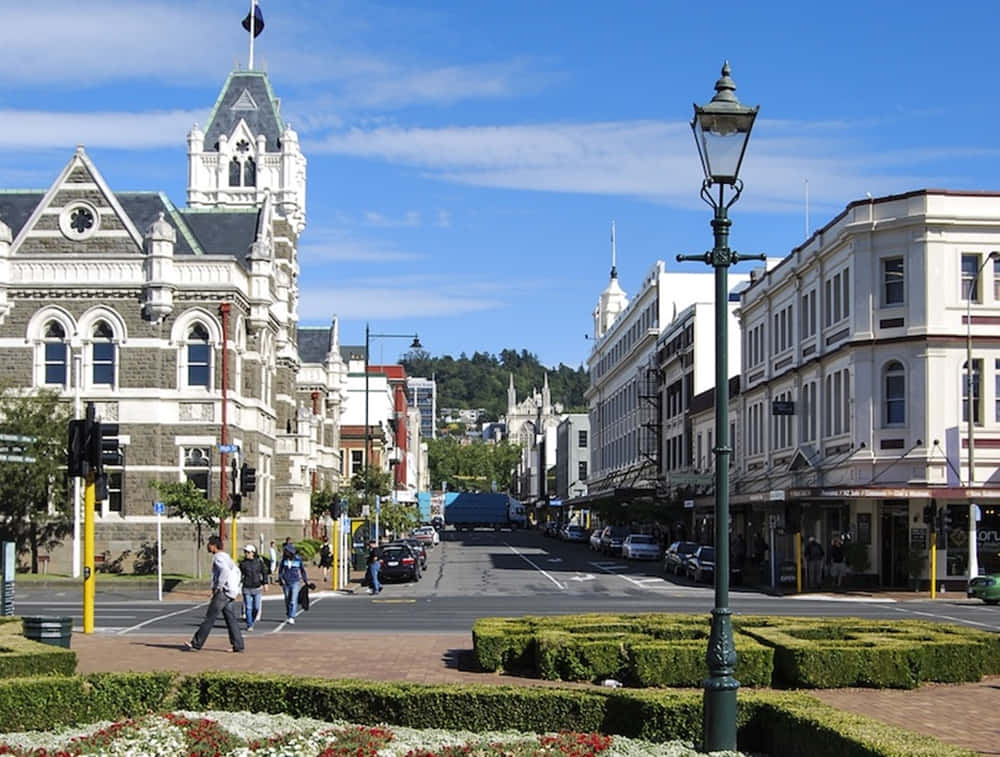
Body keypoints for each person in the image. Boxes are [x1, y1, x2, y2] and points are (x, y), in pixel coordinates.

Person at [185, 536, 244, 653]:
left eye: (209, 544)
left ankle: (196, 643)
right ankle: (238, 644)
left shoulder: (218, 558)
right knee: (230, 618)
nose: (207, 546)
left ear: (213, 546)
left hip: (223, 593)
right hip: (230, 592)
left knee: (210, 617)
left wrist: (218, 586)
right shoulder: (226, 556)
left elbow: (225, 571)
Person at [278, 543, 307, 623]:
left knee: (293, 600)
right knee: (287, 599)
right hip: (286, 582)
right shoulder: (283, 561)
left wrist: (305, 581)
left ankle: (292, 616)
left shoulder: (298, 560)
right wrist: (280, 579)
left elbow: (302, 571)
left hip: (295, 581)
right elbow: (280, 571)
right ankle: (288, 612)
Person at [239, 544, 266, 631]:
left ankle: (252, 619)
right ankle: (249, 624)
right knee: (248, 607)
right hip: (247, 587)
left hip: (257, 587)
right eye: (245, 552)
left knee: (256, 607)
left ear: (253, 553)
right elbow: (239, 575)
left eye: (248, 552)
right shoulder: (243, 564)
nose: (246, 554)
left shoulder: (259, 562)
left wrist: (265, 583)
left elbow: (264, 572)